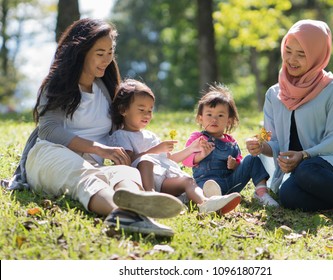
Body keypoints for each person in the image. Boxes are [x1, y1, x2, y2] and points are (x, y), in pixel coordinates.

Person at [4, 18, 185, 237]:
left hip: (93, 165)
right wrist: (99, 149)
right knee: (86, 176)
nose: (107, 59)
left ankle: (138, 209)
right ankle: (125, 214)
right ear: (80, 52)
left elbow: (127, 124)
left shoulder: (106, 89)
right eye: (100, 53)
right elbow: (49, 130)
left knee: (126, 173)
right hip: (49, 156)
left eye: (110, 52)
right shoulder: (58, 86)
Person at [246, 19, 333, 227]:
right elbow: (274, 140)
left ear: (317, 54)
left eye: (301, 53)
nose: (291, 59)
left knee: (307, 168)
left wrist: (304, 155)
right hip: (299, 176)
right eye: (288, 50)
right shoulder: (274, 94)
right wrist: (262, 146)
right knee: (288, 196)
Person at [109, 79, 242, 215]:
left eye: (150, 110)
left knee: (188, 181)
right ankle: (150, 197)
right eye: (141, 109)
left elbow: (169, 159)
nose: (147, 114)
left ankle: (206, 203)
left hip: (165, 179)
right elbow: (128, 161)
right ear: (123, 110)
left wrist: (191, 149)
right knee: (146, 161)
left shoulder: (150, 135)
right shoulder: (121, 135)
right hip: (145, 180)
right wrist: (156, 150)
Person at [182, 83, 279, 207]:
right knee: (204, 187)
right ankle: (210, 199)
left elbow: (239, 163)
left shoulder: (231, 143)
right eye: (209, 114)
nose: (214, 119)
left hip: (231, 183)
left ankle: (261, 193)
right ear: (201, 118)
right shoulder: (197, 138)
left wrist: (235, 165)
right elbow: (185, 160)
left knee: (252, 159)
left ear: (229, 121)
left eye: (220, 115)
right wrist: (200, 155)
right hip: (206, 183)